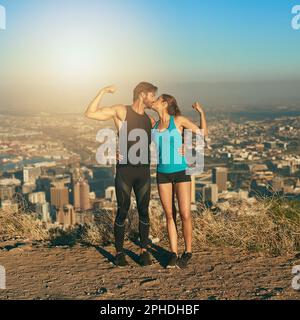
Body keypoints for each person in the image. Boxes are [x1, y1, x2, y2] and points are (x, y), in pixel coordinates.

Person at [84, 82, 158, 267]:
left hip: (143, 172)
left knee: (143, 211)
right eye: (152, 96)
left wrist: (181, 148)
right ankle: (119, 253)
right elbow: (90, 113)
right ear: (142, 94)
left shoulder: (150, 120)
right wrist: (101, 91)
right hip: (125, 171)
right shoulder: (121, 111)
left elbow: (168, 135)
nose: (154, 100)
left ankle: (143, 251)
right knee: (122, 211)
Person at [151, 94, 208, 269]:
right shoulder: (153, 124)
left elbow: (202, 133)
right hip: (162, 173)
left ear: (164, 103)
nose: (154, 100)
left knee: (185, 213)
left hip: (181, 171)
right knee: (169, 215)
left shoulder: (178, 120)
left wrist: (201, 112)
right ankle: (173, 253)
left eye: (157, 98)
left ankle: (188, 251)